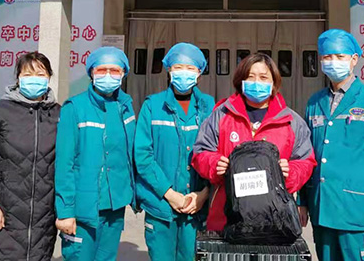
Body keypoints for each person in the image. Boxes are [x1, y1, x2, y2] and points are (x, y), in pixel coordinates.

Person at [298, 29, 364, 261]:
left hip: (357, 214)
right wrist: (302, 202)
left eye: (340, 56)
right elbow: (306, 155)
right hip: (322, 211)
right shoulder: (315, 102)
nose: (333, 61)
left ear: (354, 59)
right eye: (327, 57)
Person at [192, 52, 316, 232]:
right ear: (241, 81)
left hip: (275, 223)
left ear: (274, 82)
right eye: (250, 77)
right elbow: (200, 152)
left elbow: (306, 161)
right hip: (225, 220)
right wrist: (215, 164)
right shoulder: (222, 115)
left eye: (264, 77)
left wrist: (290, 172)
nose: (257, 82)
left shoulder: (291, 121)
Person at [0, 52, 60, 261]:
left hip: (43, 221)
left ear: (49, 77)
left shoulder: (59, 114)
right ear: (18, 78)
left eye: (40, 74)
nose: (34, 79)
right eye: (27, 74)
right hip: (3, 215)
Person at [135, 43, 215, 261]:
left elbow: (217, 152)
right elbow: (143, 156)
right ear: (169, 70)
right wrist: (169, 194)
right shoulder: (152, 106)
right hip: (160, 205)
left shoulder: (209, 106)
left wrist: (204, 194)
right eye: (178, 67)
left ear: (199, 72)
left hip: (196, 206)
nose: (184, 73)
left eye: (190, 68)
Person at [55, 46, 136, 261]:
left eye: (114, 70)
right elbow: (64, 164)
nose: (108, 75)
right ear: (91, 72)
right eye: (101, 70)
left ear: (123, 74)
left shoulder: (125, 107)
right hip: (83, 208)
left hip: (115, 205)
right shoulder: (74, 107)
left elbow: (130, 156)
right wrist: (65, 211)